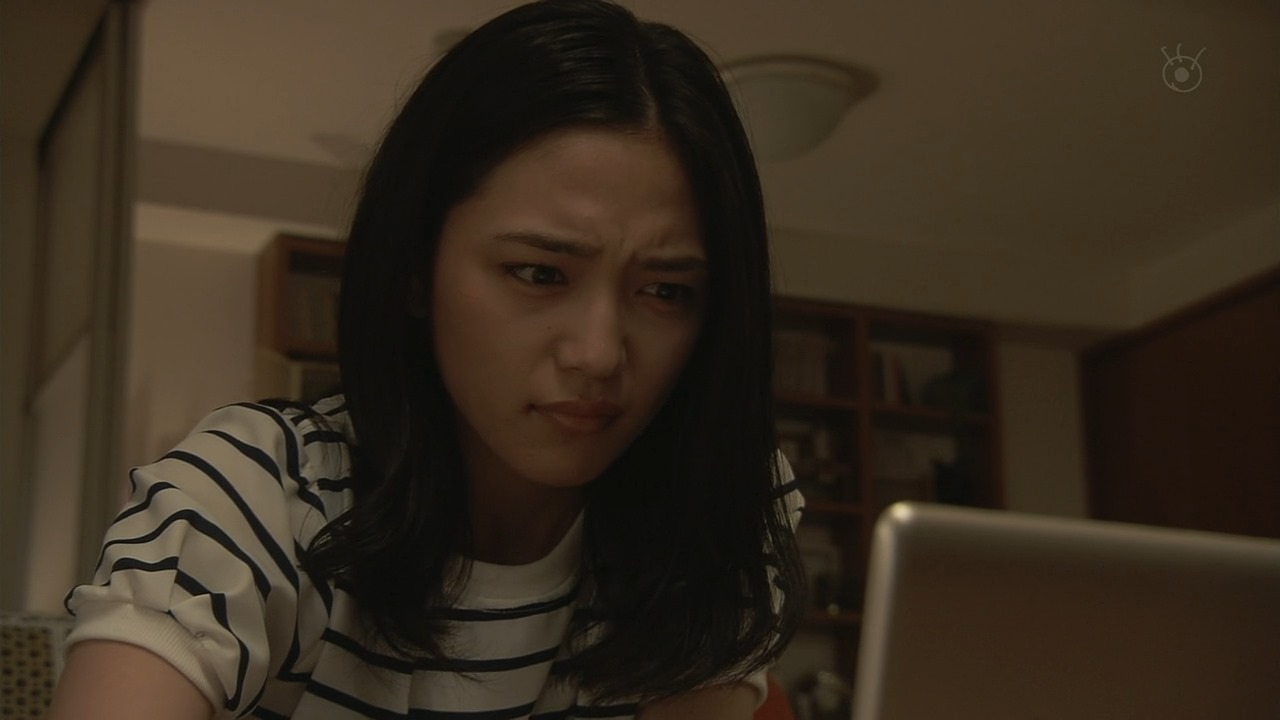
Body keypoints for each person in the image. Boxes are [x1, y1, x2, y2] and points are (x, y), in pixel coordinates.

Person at [47, 1, 806, 717]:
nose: (599, 354)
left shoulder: (718, 511)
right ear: (416, 270)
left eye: (666, 291)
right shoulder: (263, 495)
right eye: (539, 274)